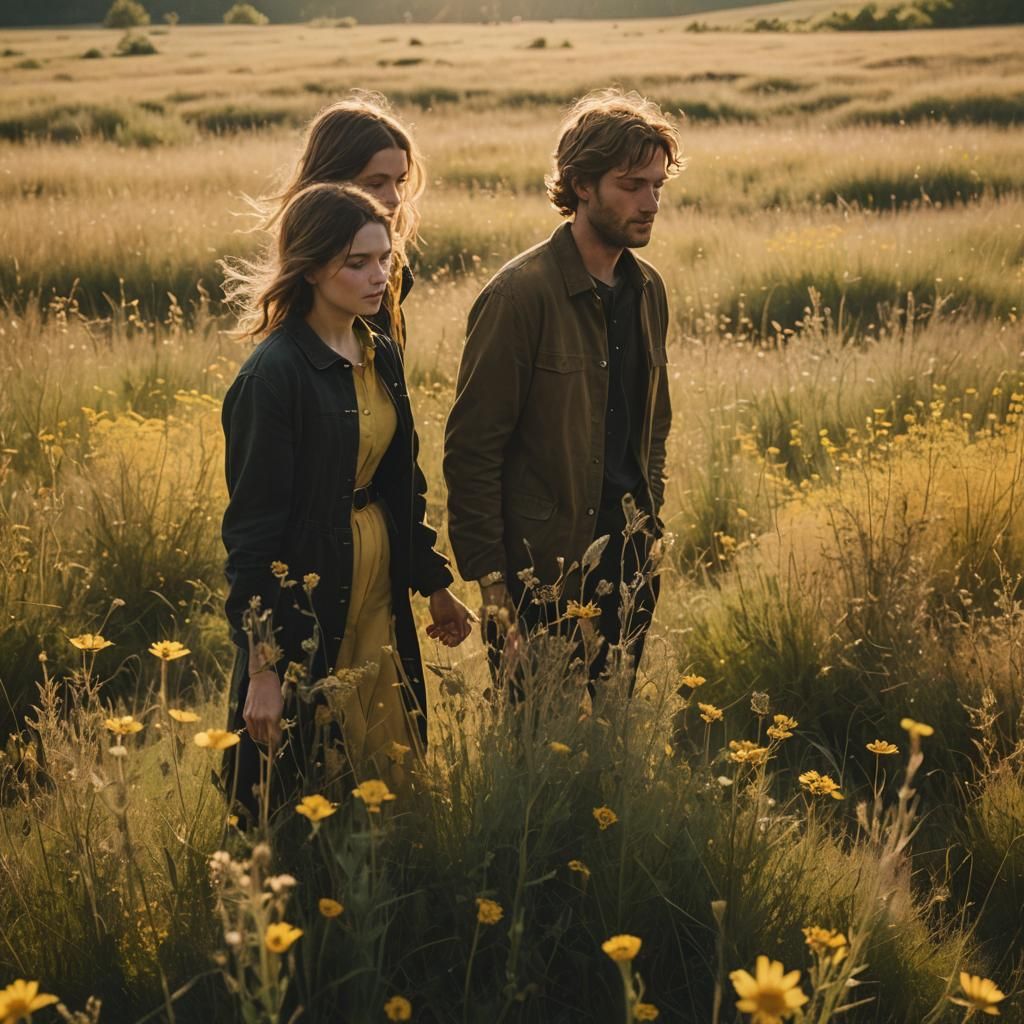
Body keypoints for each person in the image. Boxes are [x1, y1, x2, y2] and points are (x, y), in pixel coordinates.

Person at [221, 183, 473, 821]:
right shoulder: (271, 376)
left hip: (378, 576)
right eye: (357, 263)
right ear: (309, 266)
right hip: (312, 583)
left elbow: (400, 483)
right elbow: (252, 539)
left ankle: (394, 874)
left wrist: (434, 582)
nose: (378, 275)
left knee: (389, 746)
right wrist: (261, 668)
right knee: (303, 764)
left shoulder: (378, 350)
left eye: (384, 258)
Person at [443, 88, 680, 693]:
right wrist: (494, 589)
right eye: (632, 184)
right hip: (542, 574)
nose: (650, 201)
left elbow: (654, 425)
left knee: (611, 735)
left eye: (658, 184)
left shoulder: (648, 289)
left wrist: (646, 528)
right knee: (533, 746)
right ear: (580, 185)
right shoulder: (519, 296)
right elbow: (473, 450)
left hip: (629, 566)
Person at [256, 91, 424, 348]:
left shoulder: (391, 264)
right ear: (332, 183)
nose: (395, 198)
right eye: (376, 183)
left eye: (400, 181)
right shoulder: (309, 282)